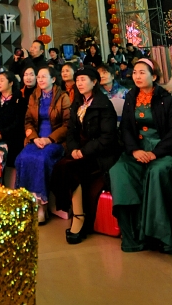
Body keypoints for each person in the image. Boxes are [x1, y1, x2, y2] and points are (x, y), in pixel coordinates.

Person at [110, 58, 172, 254]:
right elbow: (126, 128)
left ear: (154, 77)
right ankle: (132, 235)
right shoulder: (131, 98)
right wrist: (134, 150)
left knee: (156, 172)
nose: (137, 76)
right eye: (135, 72)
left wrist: (155, 153)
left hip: (165, 152)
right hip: (138, 150)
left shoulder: (168, 100)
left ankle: (160, 236)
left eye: (142, 72)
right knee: (119, 170)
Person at [51, 66, 121, 244]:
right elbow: (71, 131)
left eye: (83, 79)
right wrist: (74, 149)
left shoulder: (104, 104)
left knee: (71, 169)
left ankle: (79, 217)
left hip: (100, 153)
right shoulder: (78, 103)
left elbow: (107, 137)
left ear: (94, 82)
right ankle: (75, 211)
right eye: (78, 80)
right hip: (80, 151)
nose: (79, 83)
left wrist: (84, 151)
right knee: (60, 166)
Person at [15, 65, 72, 223]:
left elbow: (67, 124)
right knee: (22, 158)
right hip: (36, 139)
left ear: (53, 79)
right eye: (38, 77)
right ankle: (27, 202)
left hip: (56, 140)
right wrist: (34, 138)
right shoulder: (34, 95)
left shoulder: (63, 97)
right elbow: (28, 121)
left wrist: (49, 139)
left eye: (43, 77)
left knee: (41, 159)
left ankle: (42, 206)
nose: (39, 80)